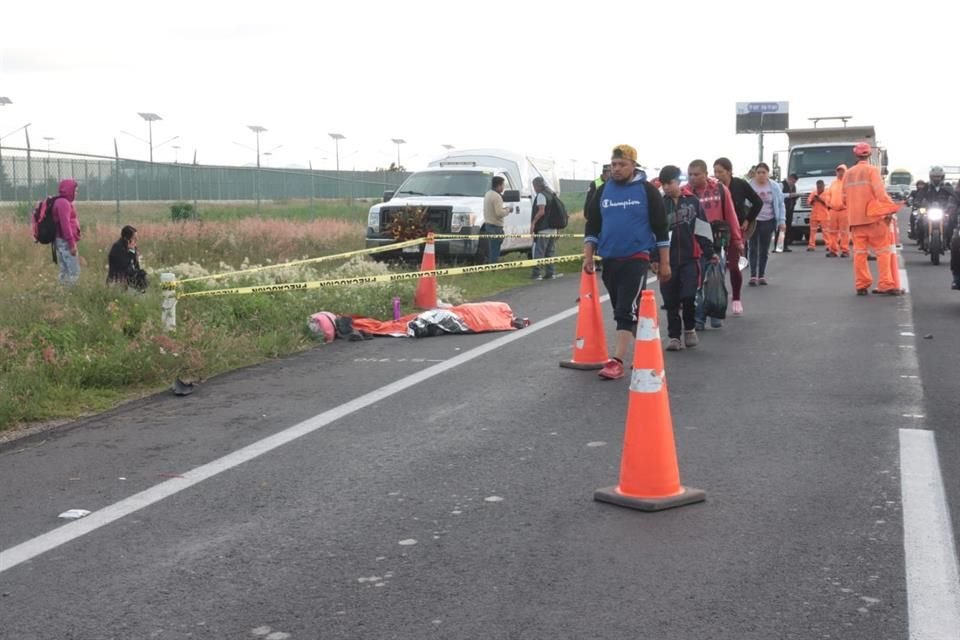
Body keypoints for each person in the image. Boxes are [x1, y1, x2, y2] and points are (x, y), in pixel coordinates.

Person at [584, 144, 669, 380]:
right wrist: (588, 256)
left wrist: (664, 263)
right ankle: (647, 343)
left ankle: (617, 361)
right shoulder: (603, 192)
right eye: (613, 164)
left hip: (637, 257)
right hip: (610, 258)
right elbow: (592, 225)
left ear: (633, 166)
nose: (617, 169)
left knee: (625, 309)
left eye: (622, 165)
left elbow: (661, 228)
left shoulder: (647, 191)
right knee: (623, 308)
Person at [659, 165, 716, 351]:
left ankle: (689, 329)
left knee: (689, 296)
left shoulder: (692, 202)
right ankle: (674, 336)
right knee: (671, 300)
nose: (666, 187)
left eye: (670, 183)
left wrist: (710, 252)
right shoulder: (659, 204)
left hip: (690, 258)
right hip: (667, 261)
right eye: (663, 184)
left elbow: (702, 228)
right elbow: (653, 234)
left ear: (678, 181)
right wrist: (654, 258)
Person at [688, 159, 743, 326]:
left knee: (715, 278)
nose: (692, 178)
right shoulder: (687, 193)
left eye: (696, 174)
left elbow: (731, 215)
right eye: (690, 174)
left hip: (717, 242)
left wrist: (737, 240)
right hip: (695, 244)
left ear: (705, 174)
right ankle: (699, 317)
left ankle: (716, 312)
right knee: (697, 281)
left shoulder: (719, 190)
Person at [843, 143, 898, 296]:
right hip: (874, 219)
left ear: (856, 155)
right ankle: (886, 284)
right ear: (869, 155)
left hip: (855, 221)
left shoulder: (848, 174)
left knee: (860, 254)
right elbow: (880, 194)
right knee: (883, 251)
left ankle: (862, 285)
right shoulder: (873, 171)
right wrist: (890, 209)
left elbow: (843, 199)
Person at [713, 157, 762, 315]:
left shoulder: (740, 185)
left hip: (736, 230)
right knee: (714, 265)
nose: (717, 175)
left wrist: (748, 219)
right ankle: (713, 298)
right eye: (715, 172)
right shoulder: (713, 187)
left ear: (729, 171)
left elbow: (758, 202)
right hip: (716, 231)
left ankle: (736, 298)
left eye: (720, 171)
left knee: (734, 265)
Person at [747, 163, 786, 286]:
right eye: (759, 172)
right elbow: (744, 203)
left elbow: (780, 204)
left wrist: (782, 221)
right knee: (752, 248)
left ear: (767, 174)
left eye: (764, 172)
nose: (761, 175)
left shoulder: (774, 186)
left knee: (764, 249)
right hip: (753, 221)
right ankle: (753, 275)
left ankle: (761, 275)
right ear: (755, 173)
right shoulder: (749, 185)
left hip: (768, 220)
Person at [914, 167, 955, 253]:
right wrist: (917, 202)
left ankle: (948, 243)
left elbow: (955, 197)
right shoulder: (926, 187)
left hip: (943, 211)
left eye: (938, 177)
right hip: (929, 210)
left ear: (942, 177)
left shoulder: (947, 187)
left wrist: (953, 205)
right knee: (920, 222)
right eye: (934, 177)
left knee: (951, 224)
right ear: (931, 177)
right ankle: (921, 242)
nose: (937, 178)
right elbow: (919, 196)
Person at [530, 176, 562, 280]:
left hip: (544, 229)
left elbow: (541, 211)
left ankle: (537, 273)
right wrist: (558, 229)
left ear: (537, 186)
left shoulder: (541, 195)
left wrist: (533, 223)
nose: (534, 188)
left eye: (534, 186)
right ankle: (550, 273)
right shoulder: (551, 194)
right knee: (550, 252)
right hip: (553, 228)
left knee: (539, 252)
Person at [52, 178, 81, 285]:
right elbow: (65, 225)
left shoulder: (61, 202)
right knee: (74, 271)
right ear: (69, 190)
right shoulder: (63, 203)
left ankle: (61, 292)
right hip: (65, 241)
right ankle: (70, 294)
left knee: (64, 270)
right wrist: (72, 244)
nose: (76, 193)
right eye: (75, 190)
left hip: (61, 240)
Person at [481, 176, 512, 264]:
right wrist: (508, 210)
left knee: (491, 248)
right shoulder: (497, 197)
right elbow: (499, 213)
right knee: (495, 249)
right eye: (503, 185)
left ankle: (491, 264)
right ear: (498, 185)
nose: (503, 187)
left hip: (488, 224)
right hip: (496, 226)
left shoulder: (488, 194)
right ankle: (493, 266)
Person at [107, 225, 147, 290]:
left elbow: (135, 265)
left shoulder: (131, 247)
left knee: (142, 274)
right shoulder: (118, 248)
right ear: (126, 238)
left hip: (130, 277)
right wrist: (131, 252)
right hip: (119, 279)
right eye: (134, 238)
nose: (136, 240)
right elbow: (125, 266)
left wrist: (134, 253)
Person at [825, 165, 849, 258]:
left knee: (844, 232)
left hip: (844, 211)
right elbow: (828, 195)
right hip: (833, 211)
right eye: (839, 171)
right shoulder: (833, 183)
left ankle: (845, 250)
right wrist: (829, 203)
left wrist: (846, 205)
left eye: (842, 171)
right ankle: (833, 250)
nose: (840, 173)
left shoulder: (848, 184)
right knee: (832, 232)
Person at [807, 180, 830, 252]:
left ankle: (829, 246)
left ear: (823, 186)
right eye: (818, 186)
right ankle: (811, 246)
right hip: (814, 215)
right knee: (812, 231)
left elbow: (828, 204)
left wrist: (820, 199)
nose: (819, 188)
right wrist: (813, 200)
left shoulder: (827, 193)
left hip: (824, 215)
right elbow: (809, 202)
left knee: (826, 231)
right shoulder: (814, 193)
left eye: (821, 186)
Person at [779, 173, 800, 251]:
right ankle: (779, 246)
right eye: (793, 181)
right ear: (789, 178)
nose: (793, 183)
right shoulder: (781, 185)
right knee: (781, 228)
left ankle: (785, 245)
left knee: (788, 228)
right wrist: (790, 195)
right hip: (781, 209)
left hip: (790, 209)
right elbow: (779, 195)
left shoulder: (793, 187)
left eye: (795, 182)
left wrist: (795, 197)